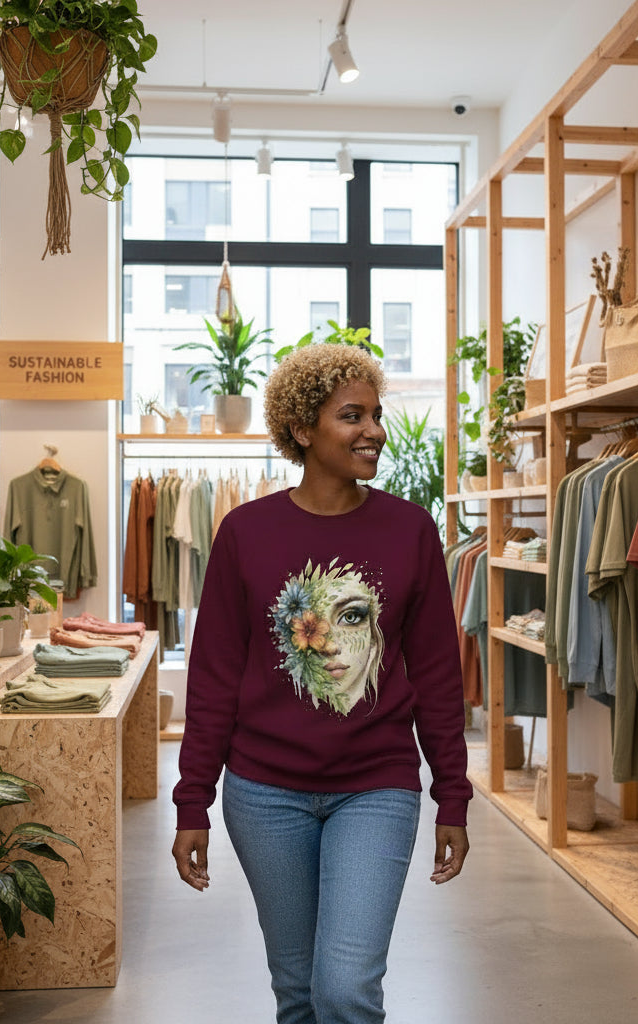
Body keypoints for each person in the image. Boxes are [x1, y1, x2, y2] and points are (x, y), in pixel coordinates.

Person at [172, 343, 472, 1024]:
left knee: (346, 990)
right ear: (302, 429)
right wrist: (193, 802)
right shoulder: (245, 533)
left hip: (376, 787)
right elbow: (214, 678)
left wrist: (452, 794)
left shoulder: (410, 530)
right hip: (264, 793)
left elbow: (436, 675)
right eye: (352, 416)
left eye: (376, 414)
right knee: (299, 993)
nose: (375, 431)